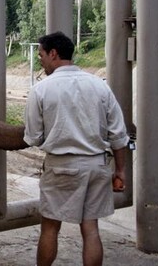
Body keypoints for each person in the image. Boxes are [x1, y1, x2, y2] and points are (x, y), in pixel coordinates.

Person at [23, 31, 129, 266]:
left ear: (53, 54)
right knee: (91, 229)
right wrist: (120, 170)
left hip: (62, 167)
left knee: (50, 228)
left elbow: (32, 137)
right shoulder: (100, 86)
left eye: (41, 54)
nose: (39, 59)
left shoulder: (41, 89)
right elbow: (118, 134)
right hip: (96, 166)